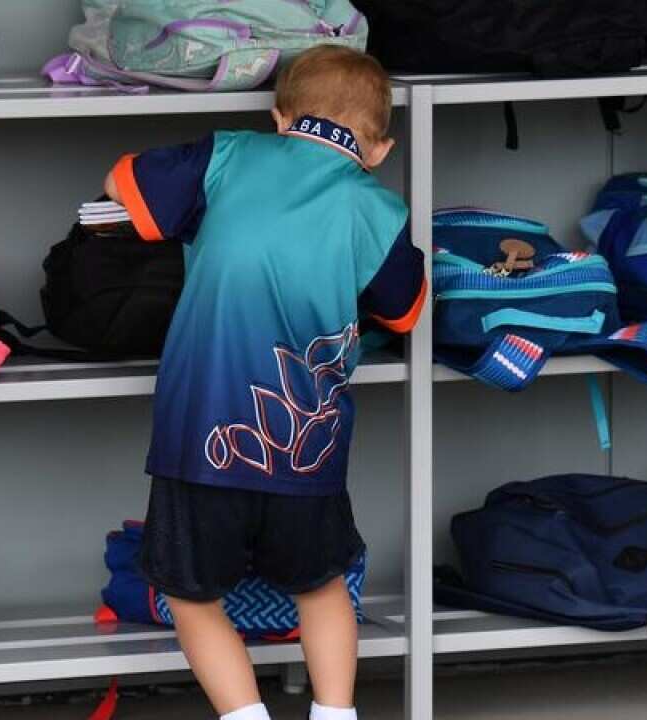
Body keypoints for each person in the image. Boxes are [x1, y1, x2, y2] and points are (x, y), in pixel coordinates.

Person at [104, 45, 427, 720]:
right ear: (380, 149)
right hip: (305, 445)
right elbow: (405, 310)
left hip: (201, 440)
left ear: (280, 119)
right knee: (322, 585)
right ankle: (335, 714)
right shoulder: (376, 205)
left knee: (192, 594)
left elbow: (122, 184)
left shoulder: (226, 156)